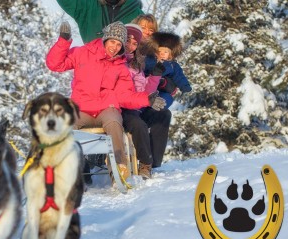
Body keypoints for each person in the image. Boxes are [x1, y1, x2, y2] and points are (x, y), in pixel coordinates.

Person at [46, 21, 166, 181]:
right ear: (105, 39)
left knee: (115, 121)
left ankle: (119, 166)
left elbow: (125, 96)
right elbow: (55, 64)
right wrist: (63, 41)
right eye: (112, 42)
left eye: (118, 44)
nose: (114, 47)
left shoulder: (120, 67)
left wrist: (146, 99)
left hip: (106, 109)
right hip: (81, 108)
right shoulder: (82, 53)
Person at [122, 24, 169, 179]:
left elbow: (145, 91)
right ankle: (145, 163)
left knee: (163, 114)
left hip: (138, 105)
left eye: (134, 43)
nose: (130, 46)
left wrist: (155, 76)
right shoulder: (116, 62)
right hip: (122, 108)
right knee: (138, 124)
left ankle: (154, 162)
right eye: (127, 41)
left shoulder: (136, 64)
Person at [56, 0, 143, 43]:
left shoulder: (137, 14)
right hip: (91, 70)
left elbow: (150, 44)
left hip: (124, 73)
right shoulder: (87, 6)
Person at [144, 31, 192, 109]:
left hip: (162, 90)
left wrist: (184, 86)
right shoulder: (150, 60)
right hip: (148, 85)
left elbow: (179, 76)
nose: (162, 54)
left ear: (170, 55)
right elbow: (144, 69)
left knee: (167, 98)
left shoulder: (173, 65)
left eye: (165, 52)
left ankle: (158, 109)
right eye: (160, 51)